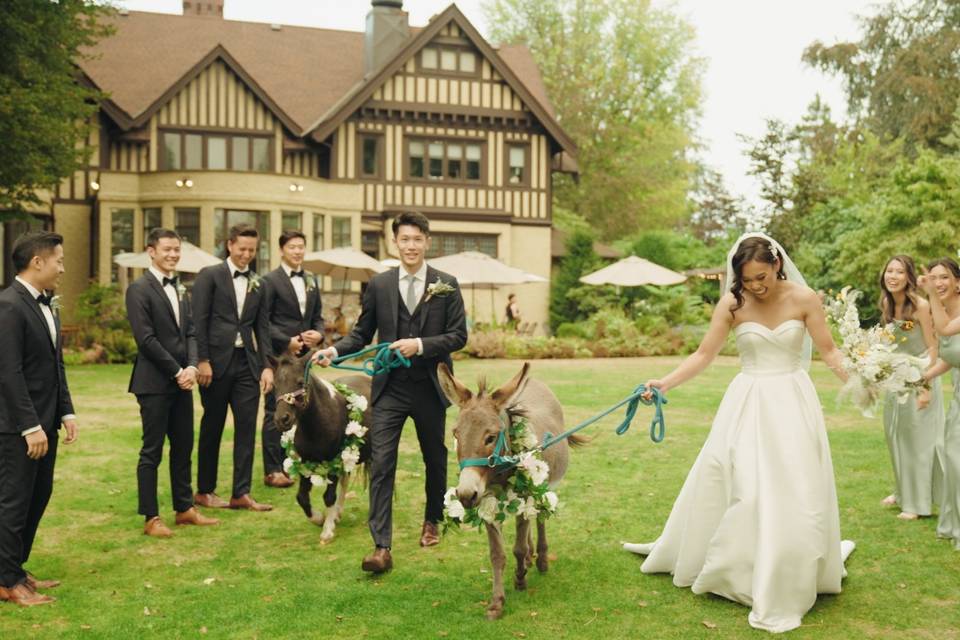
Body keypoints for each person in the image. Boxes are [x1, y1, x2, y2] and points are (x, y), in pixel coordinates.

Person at [623, 233, 855, 634]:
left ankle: (789, 569)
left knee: (795, 486)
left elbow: (829, 350)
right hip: (748, 401)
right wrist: (665, 383)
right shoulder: (733, 304)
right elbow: (703, 354)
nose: (756, 286)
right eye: (747, 280)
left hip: (792, 402)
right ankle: (738, 569)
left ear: (777, 264)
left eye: (762, 277)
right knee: (744, 484)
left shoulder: (804, 298)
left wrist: (861, 379)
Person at [314, 211, 467, 574]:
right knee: (382, 463)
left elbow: (459, 336)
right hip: (389, 388)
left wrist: (420, 344)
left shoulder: (447, 283)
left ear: (427, 242)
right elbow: (362, 333)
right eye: (404, 239)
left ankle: (432, 520)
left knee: (435, 457)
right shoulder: (379, 285)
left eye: (417, 239)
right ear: (394, 242)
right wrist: (335, 350)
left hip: (431, 387)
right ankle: (381, 546)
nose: (411, 245)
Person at [0, 232, 77, 606]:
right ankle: (5, 580)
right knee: (14, 500)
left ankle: (14, 566)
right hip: (17, 426)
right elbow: (8, 372)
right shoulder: (9, 305)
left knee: (38, 495)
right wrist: (29, 426)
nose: (63, 267)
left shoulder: (49, 305)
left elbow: (54, 365)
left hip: (47, 420)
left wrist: (66, 410)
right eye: (59, 260)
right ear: (37, 262)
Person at [126, 228, 219, 537]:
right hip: (153, 383)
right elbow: (146, 339)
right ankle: (151, 517)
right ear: (151, 251)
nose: (173, 255)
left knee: (183, 446)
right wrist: (176, 371)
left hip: (183, 381)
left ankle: (184, 508)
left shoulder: (180, 287)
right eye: (167, 249)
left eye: (177, 249)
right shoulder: (138, 289)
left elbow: (191, 331)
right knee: (151, 451)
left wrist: (192, 366)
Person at [192, 224, 275, 512]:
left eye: (252, 250)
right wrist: (201, 360)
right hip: (214, 364)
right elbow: (198, 321)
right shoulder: (209, 276)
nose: (247, 255)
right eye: (242, 248)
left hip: (246, 365)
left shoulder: (259, 283)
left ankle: (242, 493)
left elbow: (262, 328)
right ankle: (204, 491)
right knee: (212, 426)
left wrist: (266, 366)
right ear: (229, 245)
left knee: (246, 429)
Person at [877, 255, 942, 520]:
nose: (892, 276)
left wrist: (925, 385)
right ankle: (903, 491)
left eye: (899, 272)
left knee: (917, 442)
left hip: (920, 375)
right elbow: (891, 340)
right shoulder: (886, 303)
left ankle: (916, 504)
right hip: (896, 378)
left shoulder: (921, 306)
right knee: (895, 437)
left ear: (909, 277)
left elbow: (933, 346)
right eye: (889, 271)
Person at [260, 230, 323, 488]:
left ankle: (295, 462)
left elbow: (317, 315)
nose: (297, 251)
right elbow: (262, 322)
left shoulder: (310, 279)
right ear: (281, 250)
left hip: (304, 359)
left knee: (303, 407)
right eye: (292, 247)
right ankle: (273, 469)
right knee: (275, 409)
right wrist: (287, 341)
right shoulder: (269, 281)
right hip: (280, 357)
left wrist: (317, 334)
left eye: (301, 246)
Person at [918, 258, 960, 548]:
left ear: (958, 281)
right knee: (953, 461)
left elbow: (945, 333)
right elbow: (950, 356)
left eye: (943, 277)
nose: (938, 283)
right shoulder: (944, 310)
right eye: (933, 278)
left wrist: (930, 293)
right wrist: (921, 377)